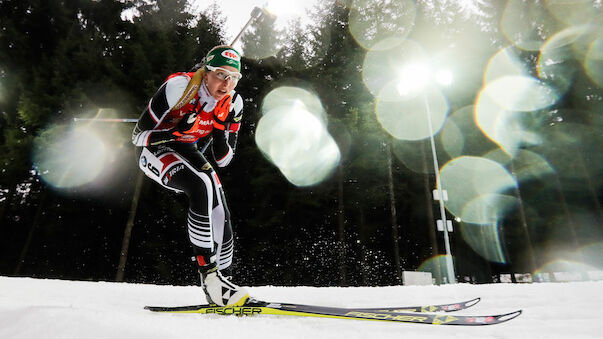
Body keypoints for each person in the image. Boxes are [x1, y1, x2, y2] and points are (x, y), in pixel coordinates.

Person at [132, 45, 249, 307]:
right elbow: (138, 136)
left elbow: (224, 159)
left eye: (233, 77)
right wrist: (175, 131)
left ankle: (223, 285)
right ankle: (208, 276)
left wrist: (219, 131)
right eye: (220, 74)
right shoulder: (179, 87)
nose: (226, 83)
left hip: (187, 149)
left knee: (219, 206)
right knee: (201, 185)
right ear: (205, 73)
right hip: (157, 149)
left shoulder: (234, 103)